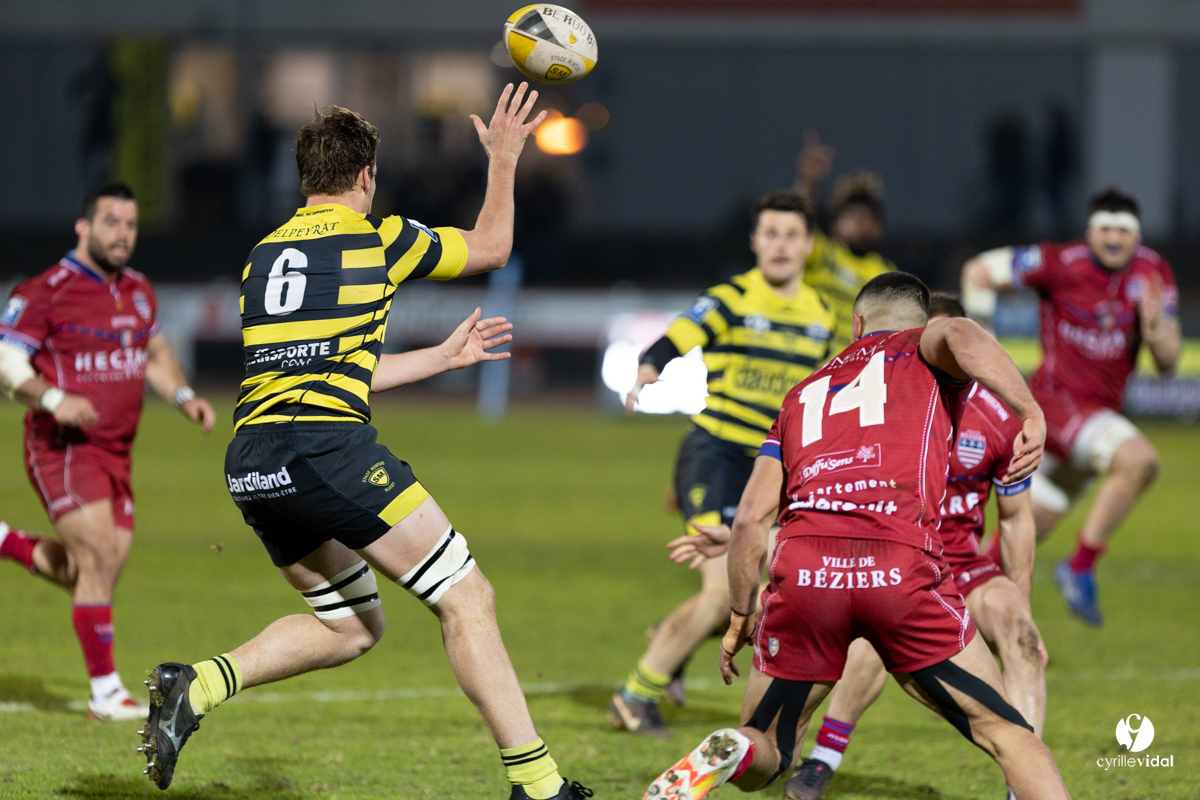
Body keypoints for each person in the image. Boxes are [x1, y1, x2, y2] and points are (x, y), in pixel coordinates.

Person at [139, 87, 591, 800]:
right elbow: (494, 247)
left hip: (253, 460)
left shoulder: (263, 258)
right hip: (325, 449)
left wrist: (438, 360)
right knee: (467, 595)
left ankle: (196, 685)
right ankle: (538, 786)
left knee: (351, 625)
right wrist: (503, 160)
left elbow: (319, 368)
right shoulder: (379, 237)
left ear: (304, 178)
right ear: (366, 177)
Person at [643, 273, 1071, 800]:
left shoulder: (801, 396)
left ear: (856, 323)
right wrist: (1031, 411)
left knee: (769, 748)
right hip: (899, 568)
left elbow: (753, 517)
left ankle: (737, 745)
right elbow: (961, 333)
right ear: (919, 323)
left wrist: (738, 617)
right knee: (1007, 734)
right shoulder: (927, 350)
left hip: (806, 576)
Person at [784, 292, 1048, 800]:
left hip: (964, 561)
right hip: (896, 552)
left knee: (1022, 639)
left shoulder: (997, 419)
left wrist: (1025, 606)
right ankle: (822, 759)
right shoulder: (884, 399)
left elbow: (1015, 521)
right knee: (865, 642)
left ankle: (1024, 781)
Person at [610, 191, 836, 738]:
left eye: (791, 235)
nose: (780, 244)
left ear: (808, 246)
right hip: (715, 457)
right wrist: (649, 368)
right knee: (723, 597)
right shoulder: (731, 298)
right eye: (771, 233)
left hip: (775, 469)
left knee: (774, 599)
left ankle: (672, 634)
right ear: (755, 241)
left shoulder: (824, 316)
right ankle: (635, 696)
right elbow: (678, 337)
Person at [0, 182, 216, 721]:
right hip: (63, 446)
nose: (122, 234)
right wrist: (53, 397)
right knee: (96, 555)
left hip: (119, 451)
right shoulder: (46, 290)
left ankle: (6, 542)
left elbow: (157, 354)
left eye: (131, 225)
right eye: (111, 222)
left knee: (92, 570)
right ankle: (105, 693)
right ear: (84, 226)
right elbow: (6, 361)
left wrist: (184, 395)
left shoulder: (139, 289)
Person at [960, 187, 1181, 626]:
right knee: (1139, 462)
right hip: (1056, 404)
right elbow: (979, 270)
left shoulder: (1152, 273)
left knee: (1011, 549)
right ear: (1090, 231)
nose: (1113, 239)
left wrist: (1155, 325)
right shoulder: (1061, 262)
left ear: (1136, 235)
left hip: (1096, 418)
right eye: (1105, 229)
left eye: (1123, 230)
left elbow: (1169, 363)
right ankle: (1079, 567)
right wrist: (983, 343)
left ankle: (959, 612)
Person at [793, 131, 895, 351]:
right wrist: (809, 180)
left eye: (869, 218)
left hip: (856, 375)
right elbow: (797, 224)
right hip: (810, 366)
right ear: (835, 223)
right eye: (854, 216)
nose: (862, 224)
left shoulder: (885, 274)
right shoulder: (822, 252)